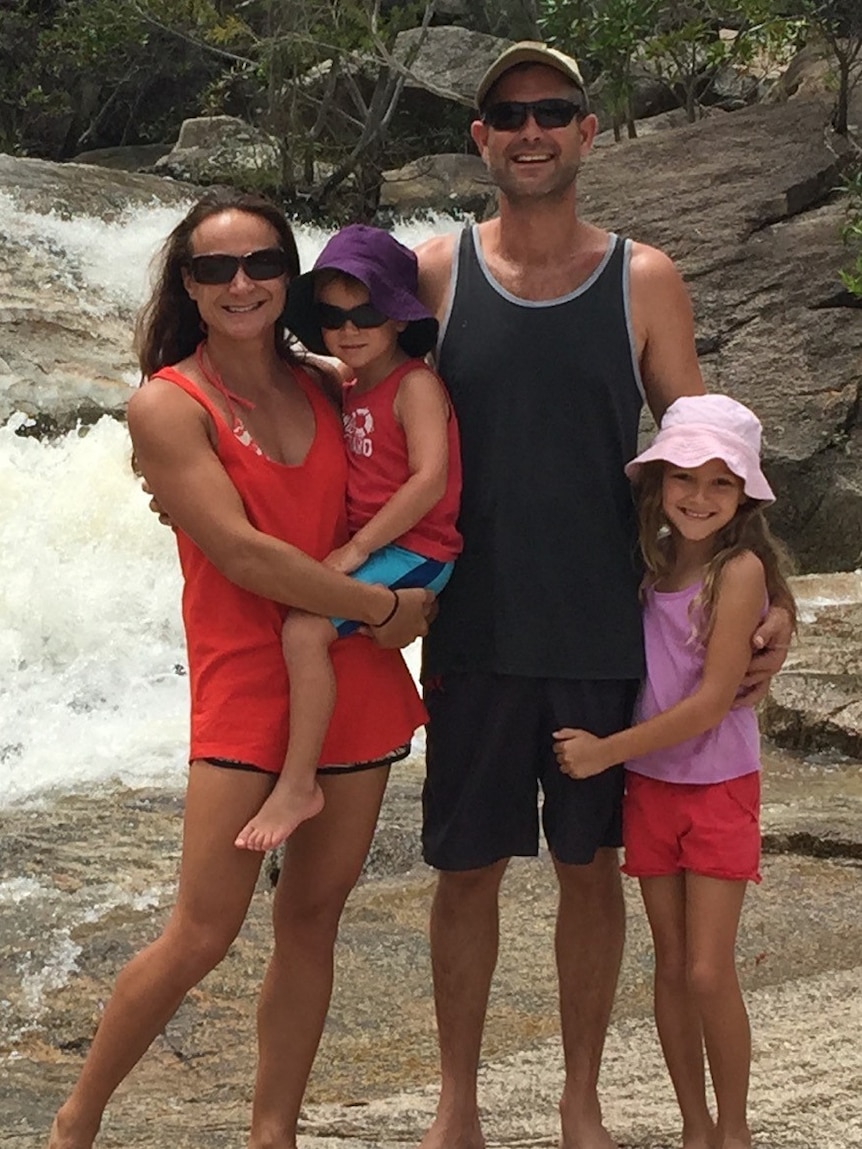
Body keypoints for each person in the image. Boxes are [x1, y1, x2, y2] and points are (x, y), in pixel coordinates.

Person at [411, 41, 794, 1149]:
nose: (532, 129)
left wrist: (769, 600)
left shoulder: (644, 279)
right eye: (509, 113)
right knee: (465, 871)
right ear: (479, 138)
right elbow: (368, 412)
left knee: (589, 874)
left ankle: (580, 1097)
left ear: (587, 132)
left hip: (604, 631)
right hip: (473, 628)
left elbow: (707, 455)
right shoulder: (437, 272)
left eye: (555, 110)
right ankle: (457, 1101)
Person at [47, 189, 432, 1149]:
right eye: (214, 268)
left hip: (354, 683)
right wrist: (385, 609)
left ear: (289, 276)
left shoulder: (327, 381)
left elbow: (418, 462)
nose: (241, 283)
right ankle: (73, 1125)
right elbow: (246, 557)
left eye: (261, 263)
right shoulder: (166, 405)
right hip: (251, 685)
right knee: (200, 933)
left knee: (312, 922)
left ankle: (274, 1134)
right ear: (188, 283)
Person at [554, 394, 795, 1149]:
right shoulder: (649, 563)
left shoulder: (741, 569)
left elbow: (710, 703)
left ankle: (733, 1128)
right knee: (668, 965)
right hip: (654, 791)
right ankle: (693, 1125)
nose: (698, 496)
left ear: (745, 496)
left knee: (705, 970)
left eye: (720, 483)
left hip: (716, 785)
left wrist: (603, 751)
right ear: (657, 482)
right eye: (684, 478)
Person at [235, 224, 461, 852]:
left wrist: (358, 550)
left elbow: (428, 480)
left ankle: (299, 783)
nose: (349, 328)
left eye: (367, 312)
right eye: (332, 317)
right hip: (386, 549)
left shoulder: (414, 384)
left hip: (419, 552)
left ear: (398, 316)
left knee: (304, 629)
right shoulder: (354, 381)